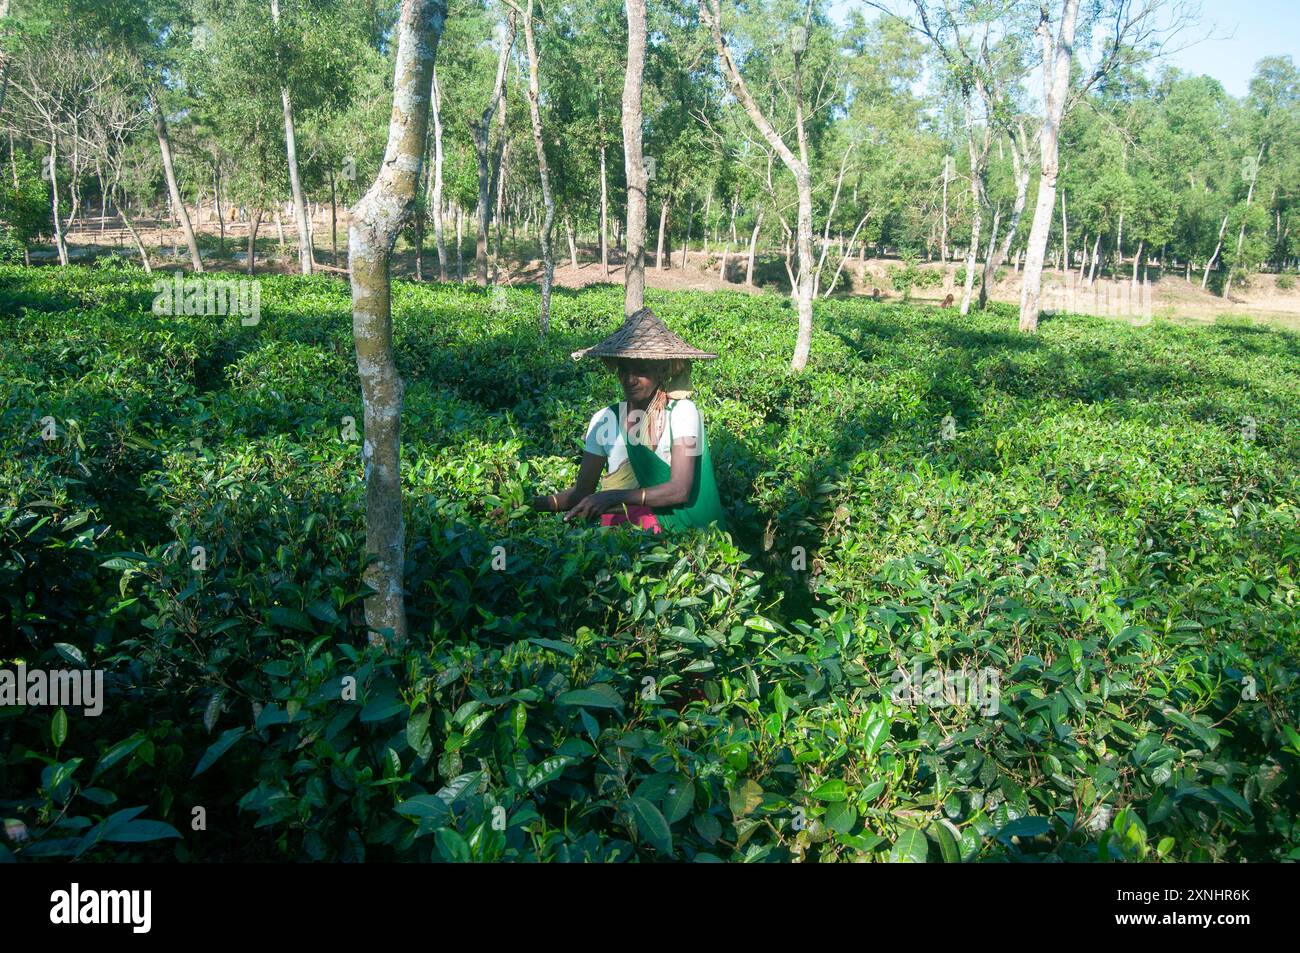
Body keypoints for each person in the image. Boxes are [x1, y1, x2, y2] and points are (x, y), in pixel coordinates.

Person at [530, 307, 725, 532]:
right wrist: (529, 505)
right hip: (617, 538)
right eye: (623, 370)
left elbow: (679, 489)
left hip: (676, 539)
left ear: (661, 372)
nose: (629, 379)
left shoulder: (683, 413)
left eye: (640, 370)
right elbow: (582, 493)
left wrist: (613, 497)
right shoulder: (605, 420)